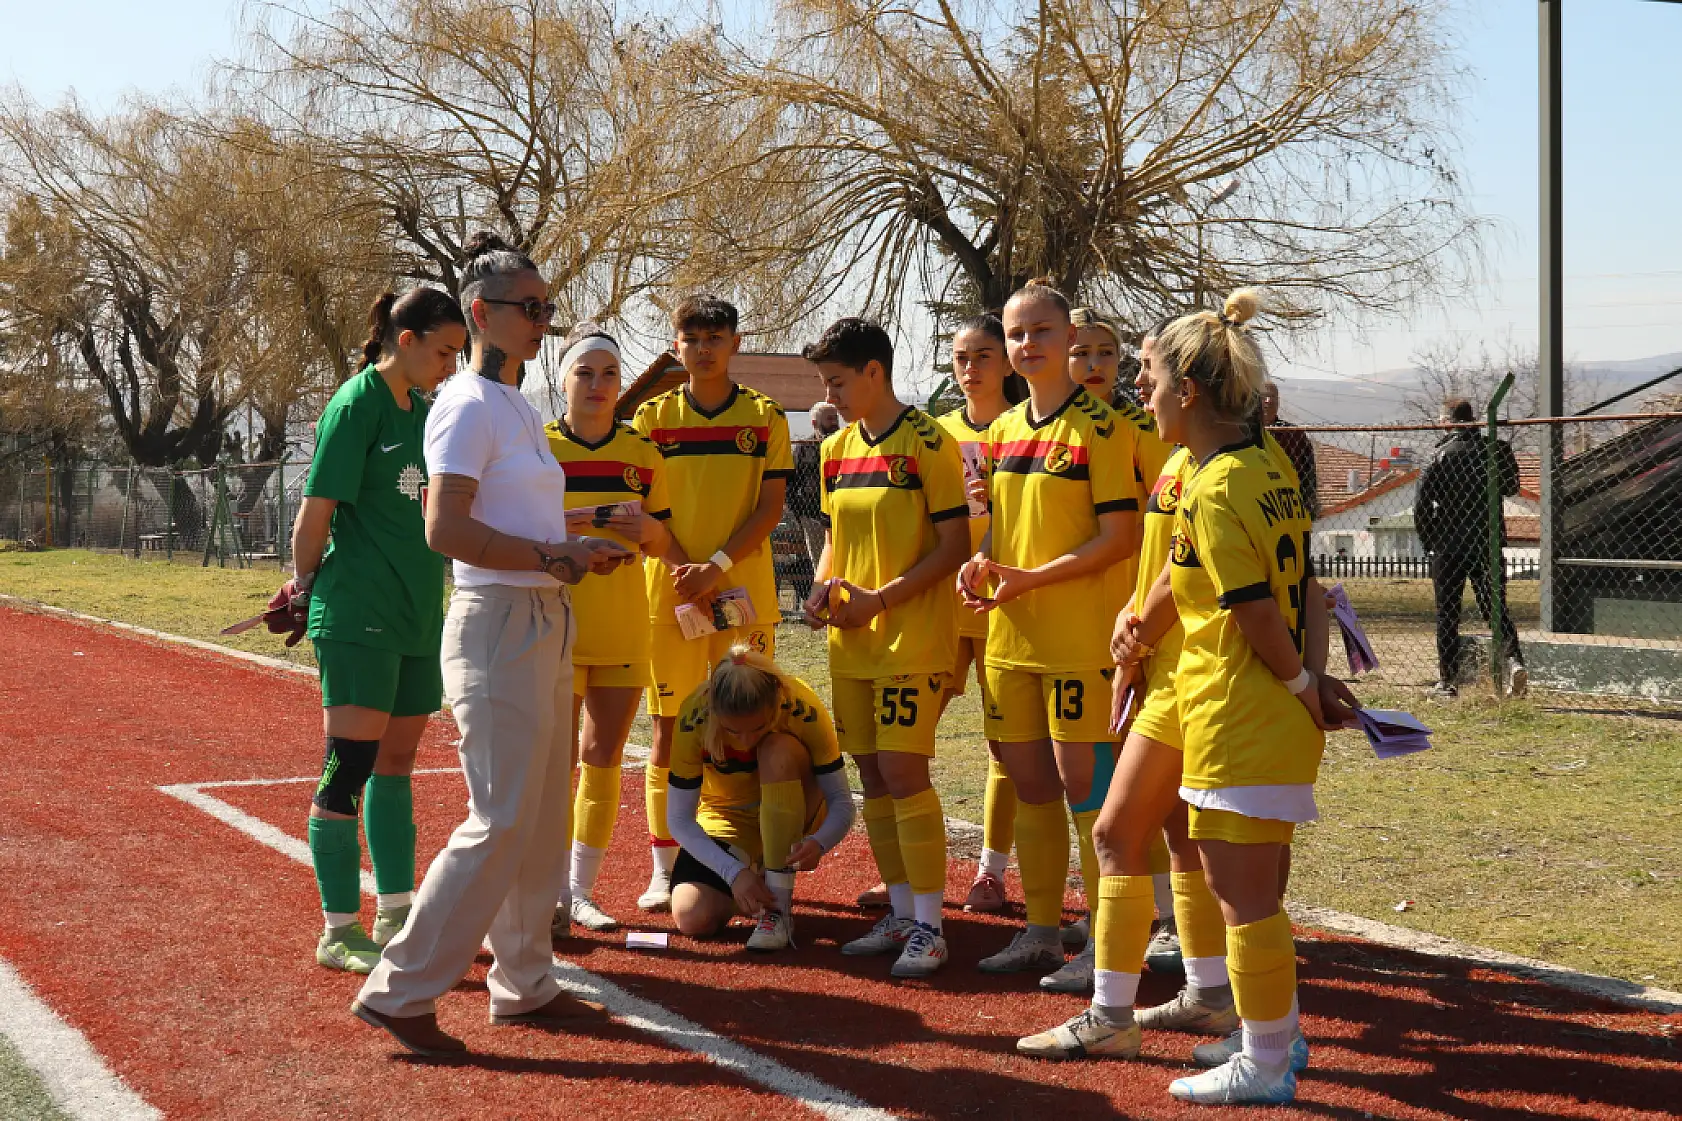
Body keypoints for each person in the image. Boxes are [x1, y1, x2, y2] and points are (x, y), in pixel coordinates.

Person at [1019, 301, 1356, 1071]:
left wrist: (1304, 678)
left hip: (1222, 685)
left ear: (1191, 390)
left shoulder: (1223, 473)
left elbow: (1260, 596)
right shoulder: (1220, 463)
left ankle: (1259, 1038)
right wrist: (1135, 629)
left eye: (1149, 370)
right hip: (1185, 679)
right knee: (1122, 832)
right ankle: (1161, 1003)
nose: (1139, 384)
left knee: (1234, 867)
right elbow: (1191, 565)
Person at [352, 232, 631, 1058]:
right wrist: (556, 555)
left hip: (544, 618)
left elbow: (516, 518)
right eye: (531, 308)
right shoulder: (468, 402)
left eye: (548, 307)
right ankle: (399, 991)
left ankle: (525, 984)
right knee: (501, 814)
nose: (545, 321)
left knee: (542, 815)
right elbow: (446, 527)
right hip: (498, 624)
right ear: (482, 313)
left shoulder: (514, 404)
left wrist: (584, 534)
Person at [957, 280, 1141, 978]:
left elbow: (1119, 537)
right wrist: (978, 565)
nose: (1026, 345)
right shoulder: (999, 433)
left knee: (1085, 792)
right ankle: (1040, 929)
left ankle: (1103, 942)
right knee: (1029, 785)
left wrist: (1033, 579)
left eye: (1040, 332)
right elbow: (1003, 529)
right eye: (1015, 334)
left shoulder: (1104, 429)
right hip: (1011, 641)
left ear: (1069, 339)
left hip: (1080, 638)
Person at [281, 287, 465, 974]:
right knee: (348, 766)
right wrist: (302, 591)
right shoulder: (356, 403)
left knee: (396, 764)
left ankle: (395, 908)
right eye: (444, 351)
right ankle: (338, 927)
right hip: (358, 611)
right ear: (406, 339)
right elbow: (314, 514)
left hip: (417, 615)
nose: (450, 365)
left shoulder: (424, 410)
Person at [800, 317, 970, 977]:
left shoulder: (931, 441)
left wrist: (881, 599)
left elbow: (955, 547)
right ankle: (900, 910)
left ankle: (932, 925)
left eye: (838, 382)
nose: (832, 395)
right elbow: (836, 541)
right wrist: (820, 591)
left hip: (913, 638)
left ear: (875, 372)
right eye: (825, 384)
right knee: (872, 780)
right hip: (853, 645)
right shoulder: (837, 449)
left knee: (904, 775)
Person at [632, 295, 792, 913]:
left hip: (743, 597)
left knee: (752, 726)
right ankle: (665, 865)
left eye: (715, 336)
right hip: (670, 596)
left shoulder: (765, 416)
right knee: (670, 730)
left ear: (735, 342)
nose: (703, 348)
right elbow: (639, 507)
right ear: (675, 345)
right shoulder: (651, 418)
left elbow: (770, 508)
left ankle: (756, 856)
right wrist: (682, 569)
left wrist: (716, 569)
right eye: (691, 337)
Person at [540, 322, 677, 933]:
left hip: (624, 626)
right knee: (555, 762)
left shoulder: (642, 454)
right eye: (585, 372)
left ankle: (579, 889)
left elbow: (667, 540)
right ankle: (545, 888)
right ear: (562, 378)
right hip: (557, 625)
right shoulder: (538, 449)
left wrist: (646, 533)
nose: (597, 385)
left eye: (610, 374)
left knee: (603, 758)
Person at [665, 646, 856, 950]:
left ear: (777, 700)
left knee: (775, 751)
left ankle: (777, 909)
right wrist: (733, 873)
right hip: (727, 818)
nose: (745, 741)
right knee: (692, 917)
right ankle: (756, 878)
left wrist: (820, 842)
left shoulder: (800, 705)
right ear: (713, 709)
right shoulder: (693, 716)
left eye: (758, 728)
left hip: (798, 807)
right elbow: (678, 819)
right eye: (732, 731)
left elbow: (842, 801)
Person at [1416, 398, 1526, 699]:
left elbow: (1422, 506)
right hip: (1486, 540)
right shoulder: (1496, 449)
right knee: (1495, 608)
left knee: (1447, 614)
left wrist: (1430, 544)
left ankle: (1448, 681)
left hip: (1448, 545)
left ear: (1448, 422)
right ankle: (1514, 662)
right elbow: (1512, 486)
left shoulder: (1438, 455)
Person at [1261, 381, 1319, 521]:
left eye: (1272, 397)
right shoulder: (1243, 433)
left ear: (1278, 401)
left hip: (1288, 502)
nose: (1268, 401)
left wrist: (1307, 504)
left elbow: (1308, 472)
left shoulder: (1293, 434)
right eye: (1264, 396)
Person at [793, 402, 842, 566]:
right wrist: (801, 514)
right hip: (813, 517)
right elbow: (789, 483)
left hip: (843, 516)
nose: (834, 422)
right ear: (815, 423)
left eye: (835, 418)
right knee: (820, 564)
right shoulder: (803, 448)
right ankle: (823, 592)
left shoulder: (846, 444)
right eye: (829, 419)